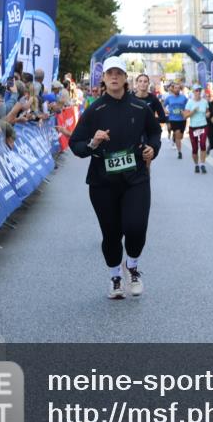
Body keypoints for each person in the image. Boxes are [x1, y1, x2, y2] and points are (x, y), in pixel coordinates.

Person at [69, 57, 161, 299]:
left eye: (118, 73)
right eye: (110, 73)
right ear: (103, 78)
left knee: (136, 227)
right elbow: (75, 144)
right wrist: (93, 142)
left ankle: (132, 267)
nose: (114, 77)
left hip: (136, 178)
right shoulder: (94, 110)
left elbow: (154, 132)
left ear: (125, 78)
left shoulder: (141, 108)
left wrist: (153, 148)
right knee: (111, 233)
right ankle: (115, 277)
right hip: (103, 183)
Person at [185, 84, 209, 173]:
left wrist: (208, 115)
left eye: (199, 90)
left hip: (203, 125)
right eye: (196, 90)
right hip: (193, 127)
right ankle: (196, 164)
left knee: (203, 144)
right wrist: (193, 111)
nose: (198, 92)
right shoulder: (190, 102)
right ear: (193, 92)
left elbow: (207, 112)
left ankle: (202, 164)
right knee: (195, 148)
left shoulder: (204, 102)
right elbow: (185, 116)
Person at [163, 82, 188, 159]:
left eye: (178, 88)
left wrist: (185, 112)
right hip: (173, 119)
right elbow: (163, 106)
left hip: (182, 119)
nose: (177, 89)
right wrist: (165, 111)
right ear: (173, 89)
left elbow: (188, 107)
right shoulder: (169, 98)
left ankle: (177, 140)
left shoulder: (184, 98)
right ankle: (179, 152)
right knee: (177, 134)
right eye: (175, 88)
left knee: (181, 136)